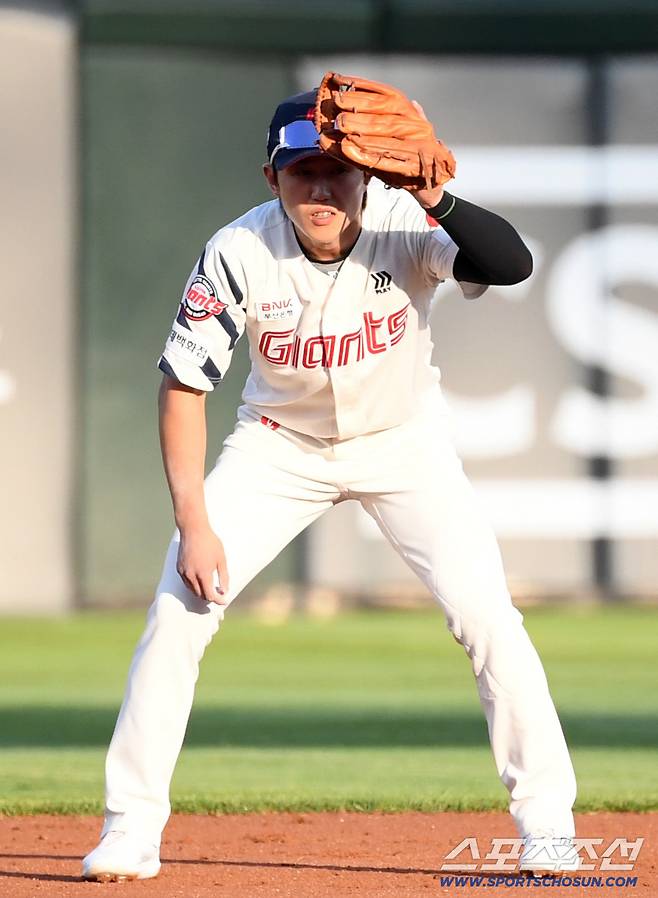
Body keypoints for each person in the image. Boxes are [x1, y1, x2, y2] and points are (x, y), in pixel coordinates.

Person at [82, 83, 578, 882]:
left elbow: (510, 263)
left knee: (488, 617)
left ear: (366, 174)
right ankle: (131, 827)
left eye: (337, 168)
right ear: (271, 177)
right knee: (178, 612)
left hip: (403, 443)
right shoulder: (239, 250)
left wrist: (435, 196)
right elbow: (183, 386)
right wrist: (196, 523)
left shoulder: (402, 219)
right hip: (279, 448)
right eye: (301, 169)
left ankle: (548, 822)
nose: (320, 186)